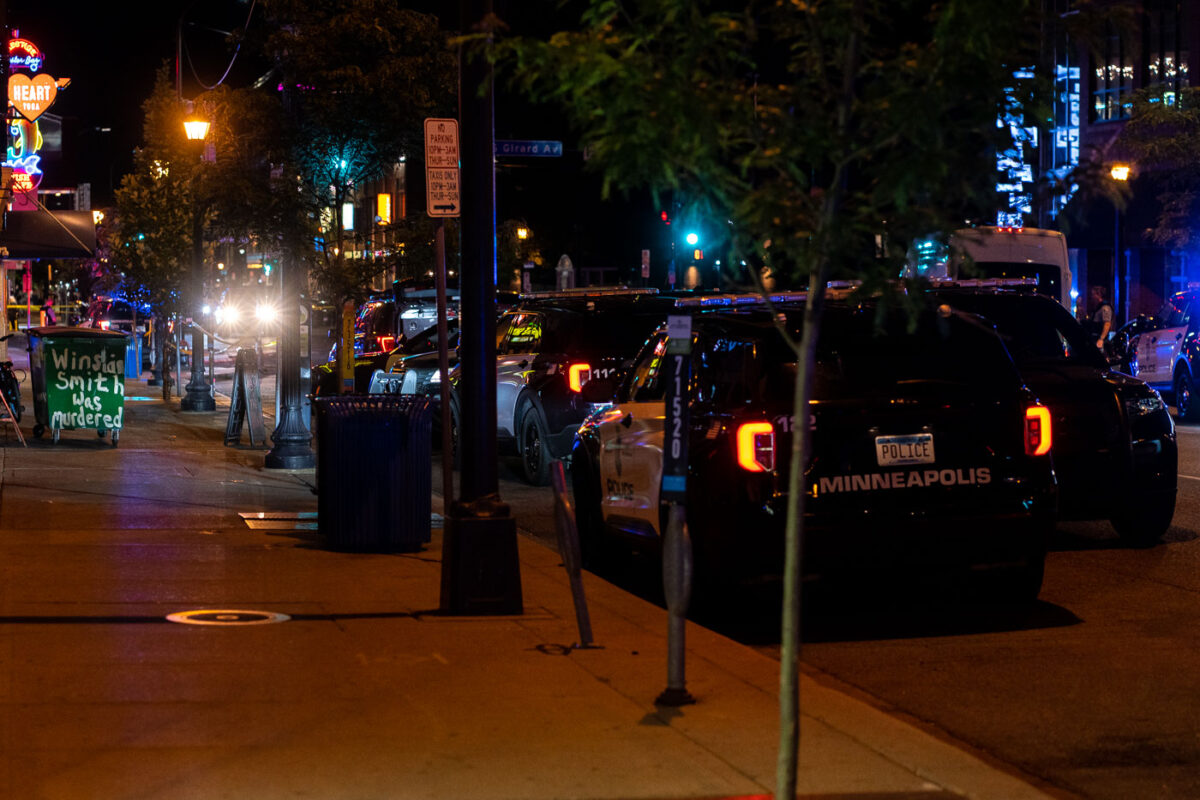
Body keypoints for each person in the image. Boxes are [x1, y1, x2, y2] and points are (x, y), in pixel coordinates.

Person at [1089, 285, 1113, 352]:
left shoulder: (1105, 307)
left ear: (1098, 295)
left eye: (1093, 294)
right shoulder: (1097, 307)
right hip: (1094, 338)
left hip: (1099, 340)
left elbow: (1107, 324)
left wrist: (1101, 339)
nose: (1092, 297)